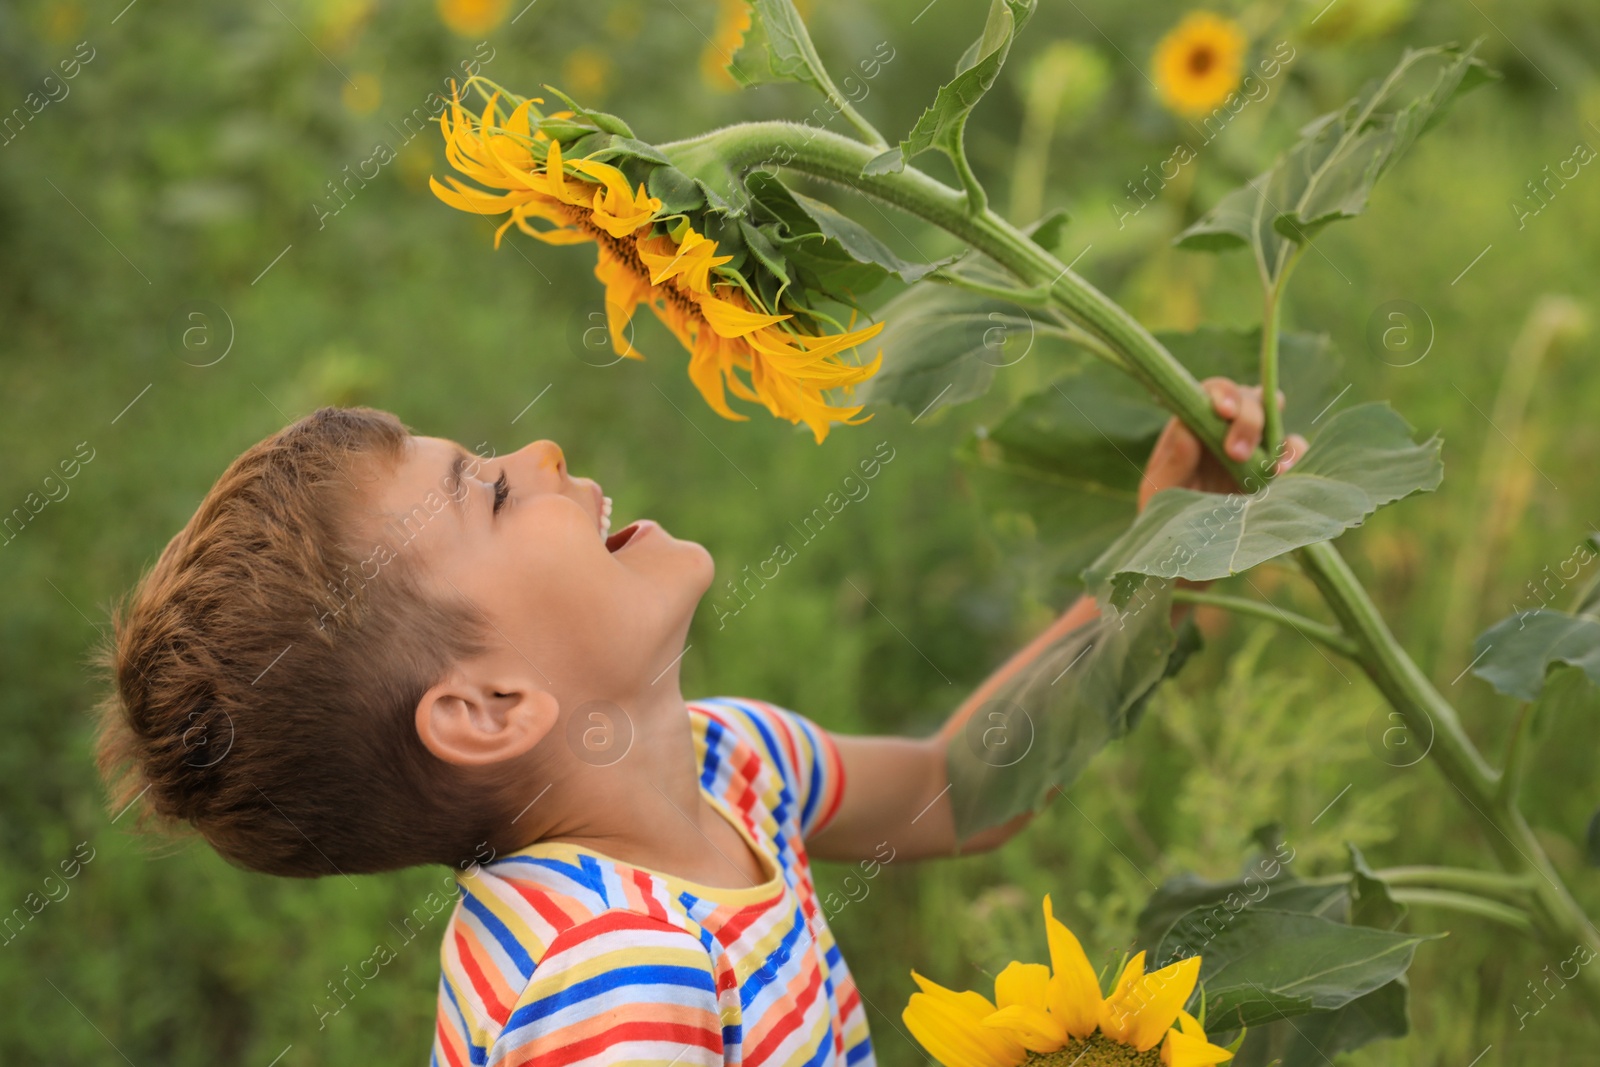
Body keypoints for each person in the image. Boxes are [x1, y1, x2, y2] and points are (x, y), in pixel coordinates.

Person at [95, 378, 1301, 1066]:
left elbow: (959, 786)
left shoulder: (732, 762)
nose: (544, 445)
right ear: (490, 707)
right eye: (495, 490)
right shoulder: (611, 978)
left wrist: (1164, 561)